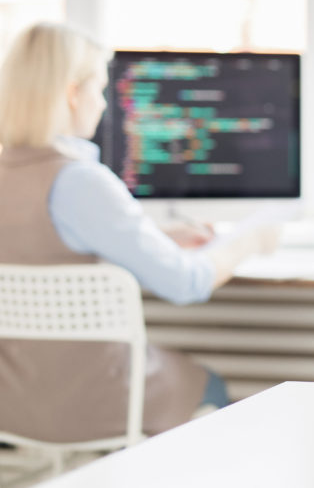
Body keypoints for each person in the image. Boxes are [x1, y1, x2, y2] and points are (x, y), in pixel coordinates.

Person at [0, 22, 269, 443]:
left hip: (13, 406)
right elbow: (186, 282)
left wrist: (156, 234)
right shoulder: (80, 181)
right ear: (74, 94)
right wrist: (248, 242)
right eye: (100, 90)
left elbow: (48, 242)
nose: (104, 104)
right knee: (210, 384)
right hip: (98, 404)